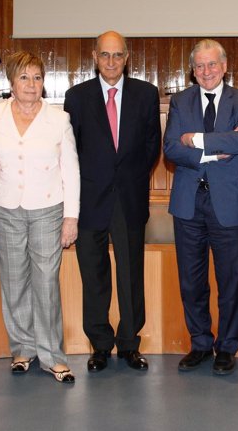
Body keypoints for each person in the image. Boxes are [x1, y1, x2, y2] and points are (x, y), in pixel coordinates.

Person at [64, 31, 161, 372]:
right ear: (94, 56)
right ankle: (100, 346)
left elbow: (153, 145)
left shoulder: (146, 94)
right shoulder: (76, 97)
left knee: (131, 274)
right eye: (105, 55)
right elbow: (70, 150)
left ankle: (130, 344)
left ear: (127, 57)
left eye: (117, 55)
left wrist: (131, 178)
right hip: (89, 201)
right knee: (94, 276)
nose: (111, 62)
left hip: (130, 199)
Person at [0, 51, 79, 383]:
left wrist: (71, 217)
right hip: (4, 208)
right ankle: (22, 349)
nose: (31, 84)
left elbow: (71, 169)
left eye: (37, 77)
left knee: (45, 284)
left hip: (48, 210)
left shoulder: (59, 119)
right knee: (13, 282)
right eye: (24, 77)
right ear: (11, 81)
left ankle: (52, 355)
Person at [163, 39, 238, 375]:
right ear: (193, 70)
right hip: (189, 204)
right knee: (192, 281)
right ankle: (200, 342)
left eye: (212, 65)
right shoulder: (180, 101)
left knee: (230, 281)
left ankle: (227, 348)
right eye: (199, 66)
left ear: (225, 66)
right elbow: (171, 147)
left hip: (231, 205)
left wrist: (196, 139)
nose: (206, 72)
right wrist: (212, 150)